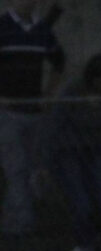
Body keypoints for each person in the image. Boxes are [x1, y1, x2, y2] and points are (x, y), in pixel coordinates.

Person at [46, 52, 101, 251]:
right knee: (82, 203)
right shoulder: (73, 91)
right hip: (69, 153)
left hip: (94, 152)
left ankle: (88, 240)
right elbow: (55, 124)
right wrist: (46, 160)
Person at [0, 0, 65, 235]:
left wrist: (48, 94)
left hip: (32, 111)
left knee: (28, 168)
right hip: (7, 112)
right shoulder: (3, 27)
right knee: (16, 167)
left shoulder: (42, 30)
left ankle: (13, 221)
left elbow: (59, 62)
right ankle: (23, 222)